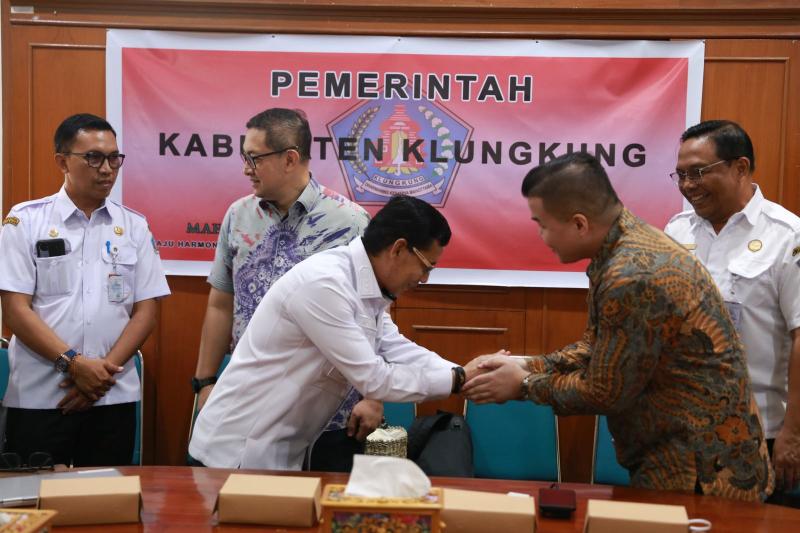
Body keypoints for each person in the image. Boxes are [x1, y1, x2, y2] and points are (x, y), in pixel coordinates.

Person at [462, 152, 773, 502]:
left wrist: (524, 385)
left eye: (542, 225)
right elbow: (597, 347)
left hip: (702, 473)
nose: (541, 236)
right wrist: (525, 365)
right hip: (681, 458)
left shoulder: (632, 274)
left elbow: (605, 391)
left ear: (580, 224)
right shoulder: (623, 247)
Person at [189, 195, 493, 470]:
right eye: (426, 266)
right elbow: (374, 378)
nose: (425, 279)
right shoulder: (325, 284)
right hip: (233, 453)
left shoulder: (367, 286)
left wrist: (463, 373)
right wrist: (456, 380)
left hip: (275, 452)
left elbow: (393, 346)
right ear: (399, 249)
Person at [190, 108, 379, 471]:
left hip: (327, 414)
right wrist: (204, 382)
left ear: (290, 158)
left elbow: (372, 315)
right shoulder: (238, 216)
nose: (246, 169)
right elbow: (220, 303)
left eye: (254, 158)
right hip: (247, 405)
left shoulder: (350, 223)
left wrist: (373, 396)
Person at [0, 113, 170, 466]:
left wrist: (99, 376)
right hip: (40, 396)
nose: (106, 169)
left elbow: (146, 311)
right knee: (33, 496)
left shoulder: (134, 226)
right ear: (62, 161)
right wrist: (73, 364)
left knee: (107, 497)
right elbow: (15, 309)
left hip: (111, 396)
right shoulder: (26, 221)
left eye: (113, 158)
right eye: (93, 158)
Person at [664, 120, 800, 503]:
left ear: (740, 167)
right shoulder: (677, 232)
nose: (688, 184)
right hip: (684, 433)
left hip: (759, 434)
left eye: (698, 172)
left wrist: (794, 434)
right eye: (681, 175)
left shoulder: (787, 236)